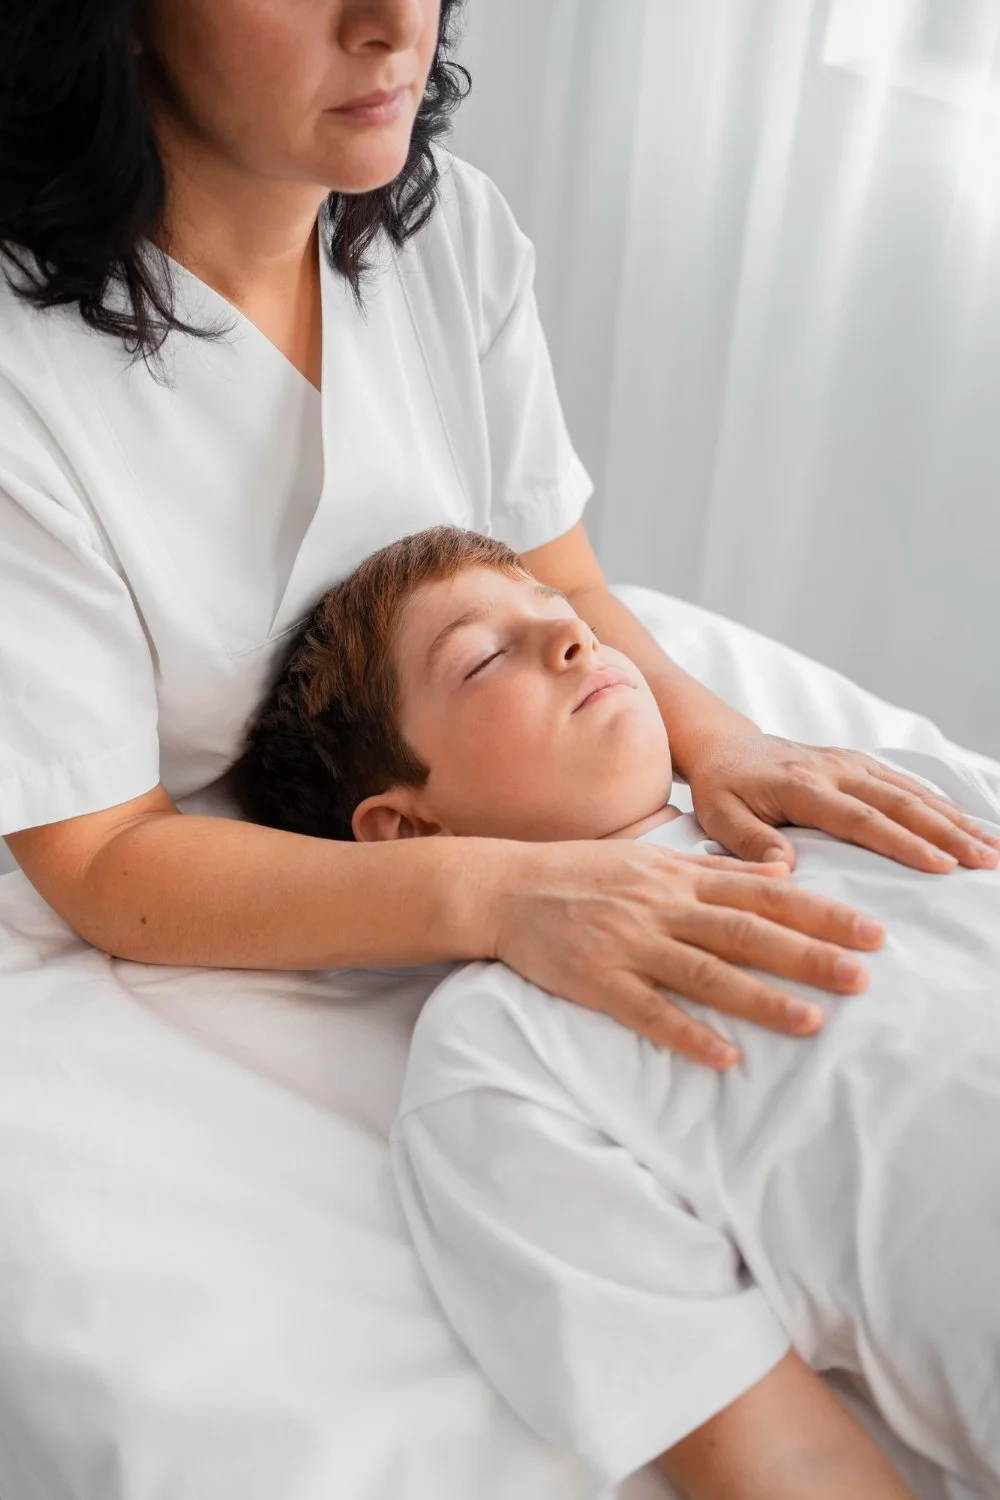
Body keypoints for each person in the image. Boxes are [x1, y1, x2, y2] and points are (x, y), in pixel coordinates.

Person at [1, 0, 998, 1076]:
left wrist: (721, 742)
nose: (392, 23)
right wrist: (496, 892)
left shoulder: (444, 232)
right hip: (193, 910)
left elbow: (559, 573)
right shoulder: (25, 378)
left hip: (512, 795)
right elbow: (101, 854)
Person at [233, 524, 1000, 1500]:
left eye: (557, 616)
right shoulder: (504, 1049)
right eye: (480, 656)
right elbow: (786, 1457)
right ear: (408, 828)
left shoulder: (863, 795)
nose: (574, 641)